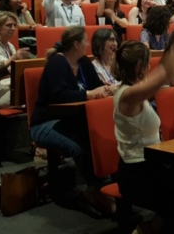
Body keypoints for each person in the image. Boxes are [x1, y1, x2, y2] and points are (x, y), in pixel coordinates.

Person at [30, 27, 115, 216]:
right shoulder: (57, 63)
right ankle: (92, 190)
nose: (88, 44)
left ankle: (106, 186)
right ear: (76, 44)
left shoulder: (83, 62)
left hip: (72, 120)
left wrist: (107, 89)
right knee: (78, 147)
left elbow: (96, 86)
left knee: (101, 136)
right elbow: (58, 96)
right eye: (85, 40)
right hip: (45, 122)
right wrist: (89, 94)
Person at [113, 24, 174, 232]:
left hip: (150, 165)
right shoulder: (128, 96)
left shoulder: (133, 91)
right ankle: (147, 229)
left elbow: (169, 73)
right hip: (136, 174)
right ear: (140, 66)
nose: (149, 68)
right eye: (147, 63)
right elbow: (167, 72)